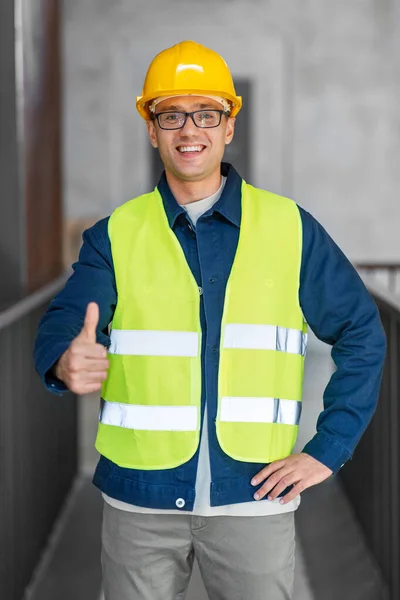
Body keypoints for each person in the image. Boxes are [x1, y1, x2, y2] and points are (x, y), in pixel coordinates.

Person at [34, 40, 386, 600]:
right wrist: (63, 359)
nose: (188, 129)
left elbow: (362, 332)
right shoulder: (115, 235)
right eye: (171, 114)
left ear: (228, 127)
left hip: (252, 495)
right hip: (139, 500)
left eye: (206, 114)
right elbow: (66, 321)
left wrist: (329, 449)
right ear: (152, 130)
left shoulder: (291, 228)